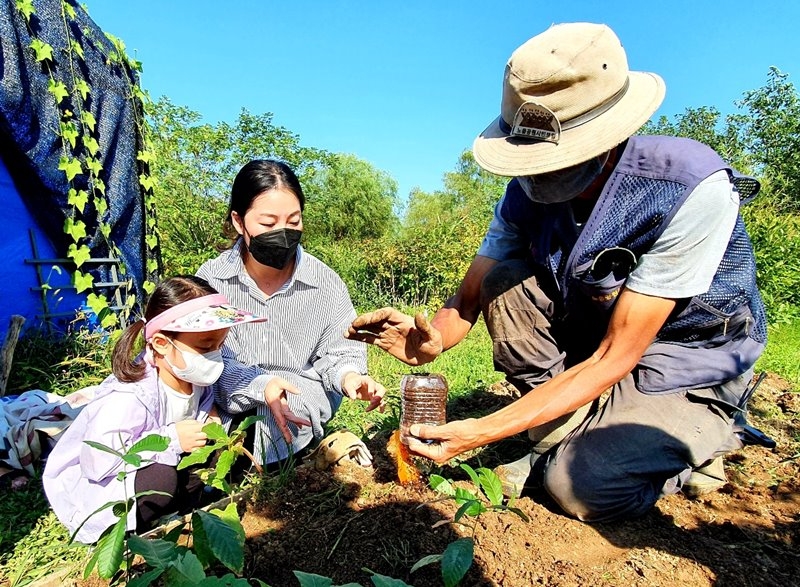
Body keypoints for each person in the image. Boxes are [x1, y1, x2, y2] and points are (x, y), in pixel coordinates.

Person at [346, 22, 767, 522]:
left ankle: (706, 431)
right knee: (504, 281)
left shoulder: (689, 188)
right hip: (600, 339)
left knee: (581, 486)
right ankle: (569, 422)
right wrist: (432, 340)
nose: (538, 175)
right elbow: (469, 298)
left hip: (685, 357)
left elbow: (616, 354)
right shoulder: (522, 195)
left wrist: (483, 430)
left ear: (608, 136)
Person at [43, 276, 282, 543]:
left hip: (171, 457)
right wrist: (171, 439)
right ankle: (134, 529)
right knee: (161, 479)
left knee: (231, 428)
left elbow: (203, 407)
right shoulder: (128, 397)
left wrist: (211, 419)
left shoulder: (190, 376)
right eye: (205, 347)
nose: (215, 356)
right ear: (161, 343)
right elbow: (97, 462)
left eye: (219, 346)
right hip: (107, 485)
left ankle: (188, 506)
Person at [197, 159, 385, 468]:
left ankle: (284, 460)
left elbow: (340, 351)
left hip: (298, 395)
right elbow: (208, 356)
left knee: (282, 417)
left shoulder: (324, 282)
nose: (282, 233)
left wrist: (350, 376)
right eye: (268, 224)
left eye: (293, 221)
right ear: (238, 221)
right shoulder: (211, 281)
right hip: (232, 396)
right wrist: (260, 385)